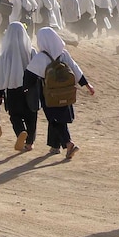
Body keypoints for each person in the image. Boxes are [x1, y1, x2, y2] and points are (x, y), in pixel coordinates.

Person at [25, 27, 95, 158]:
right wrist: (87, 85)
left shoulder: (41, 57)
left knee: (55, 120)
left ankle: (68, 143)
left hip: (49, 94)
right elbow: (75, 69)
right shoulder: (64, 54)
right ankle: (55, 146)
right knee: (59, 117)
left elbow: (29, 76)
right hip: (66, 92)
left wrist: (25, 89)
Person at [0, 22, 39, 151]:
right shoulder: (31, 51)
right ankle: (30, 143)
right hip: (30, 88)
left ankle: (20, 131)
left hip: (12, 89)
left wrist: (0, 90)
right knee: (31, 115)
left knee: (15, 115)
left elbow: (0, 73)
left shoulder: (5, 54)